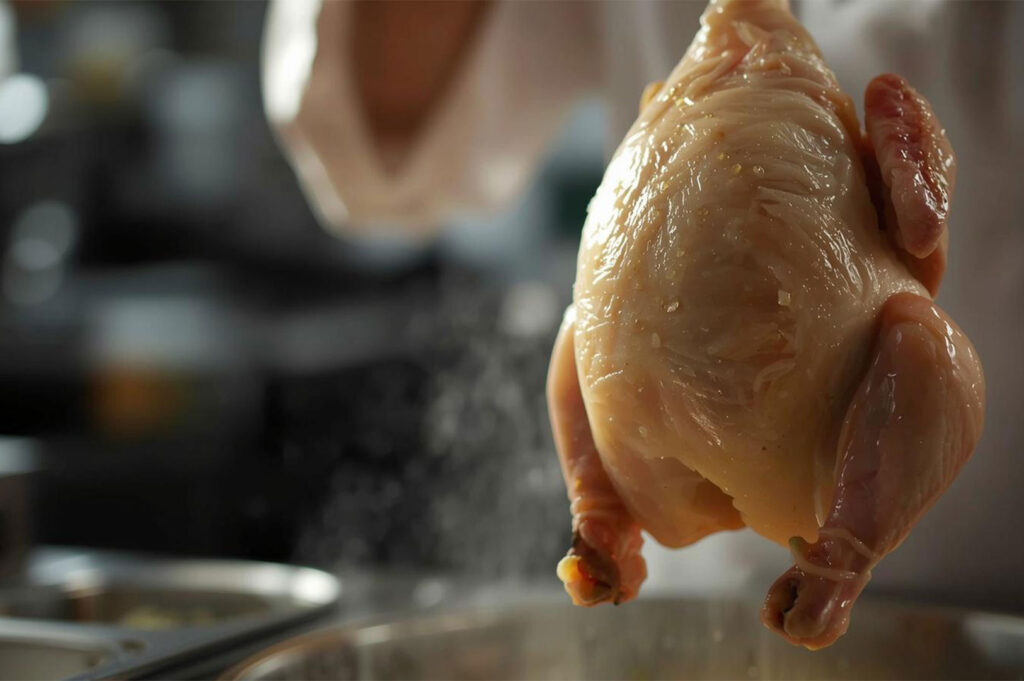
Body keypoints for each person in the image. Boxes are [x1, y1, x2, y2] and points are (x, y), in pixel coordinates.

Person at [263, 0, 1023, 610]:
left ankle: (834, 559)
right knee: (592, 326)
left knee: (924, 352)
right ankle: (601, 516)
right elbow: (377, 130)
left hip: (995, 600)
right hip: (684, 601)